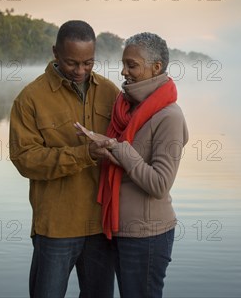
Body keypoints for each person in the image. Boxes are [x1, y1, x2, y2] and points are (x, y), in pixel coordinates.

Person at [9, 20, 120, 298]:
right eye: (72, 63)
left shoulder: (111, 93)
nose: (80, 70)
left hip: (101, 225)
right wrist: (83, 154)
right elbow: (25, 159)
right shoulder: (30, 99)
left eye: (88, 62)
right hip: (56, 226)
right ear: (55, 53)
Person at [89, 32, 189, 298]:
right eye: (123, 64)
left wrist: (118, 148)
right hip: (116, 229)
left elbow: (159, 184)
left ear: (156, 68)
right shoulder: (124, 108)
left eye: (132, 65)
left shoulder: (169, 117)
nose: (124, 71)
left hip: (147, 237)